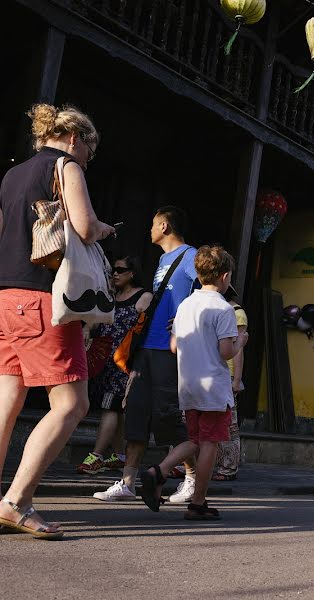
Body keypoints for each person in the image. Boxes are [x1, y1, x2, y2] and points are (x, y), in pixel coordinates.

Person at [0, 104, 115, 539]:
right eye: (89, 150)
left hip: (5, 296)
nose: (88, 158)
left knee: (6, 399)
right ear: (74, 138)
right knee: (71, 404)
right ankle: (17, 502)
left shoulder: (12, 175)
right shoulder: (66, 165)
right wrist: (104, 229)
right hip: (42, 297)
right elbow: (83, 227)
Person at [94, 206, 198, 503]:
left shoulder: (190, 256)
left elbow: (210, 290)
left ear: (164, 226)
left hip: (170, 349)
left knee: (168, 415)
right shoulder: (164, 259)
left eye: (153, 224)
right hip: (146, 347)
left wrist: (184, 320)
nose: (149, 230)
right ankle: (127, 482)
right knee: (135, 412)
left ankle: (190, 479)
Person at [139, 246, 247, 519]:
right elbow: (226, 352)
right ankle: (198, 501)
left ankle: (159, 471)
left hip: (187, 384)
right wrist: (240, 341)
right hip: (213, 386)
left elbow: (174, 346)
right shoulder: (223, 309)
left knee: (196, 439)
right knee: (210, 443)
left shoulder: (185, 305)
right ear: (224, 276)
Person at [77, 256, 152, 475]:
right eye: (113, 271)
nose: (115, 274)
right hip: (104, 361)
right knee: (115, 407)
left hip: (125, 362)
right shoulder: (111, 296)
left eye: (120, 270)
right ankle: (119, 455)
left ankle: (97, 455)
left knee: (110, 406)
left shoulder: (143, 296)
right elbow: (94, 318)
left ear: (132, 273)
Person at [212, 286, 248, 481]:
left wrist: (236, 380)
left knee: (229, 424)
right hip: (214, 371)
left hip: (227, 373)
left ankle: (228, 467)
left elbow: (239, 348)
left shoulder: (236, 313)